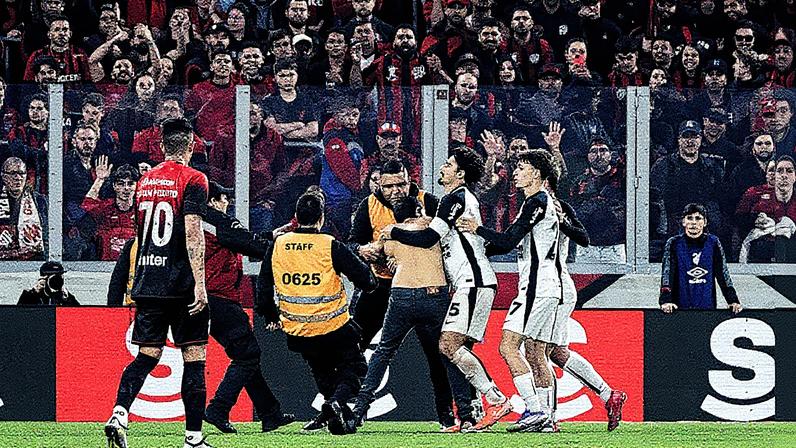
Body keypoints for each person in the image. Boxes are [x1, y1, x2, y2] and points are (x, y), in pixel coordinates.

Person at [104, 118, 212, 448]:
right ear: (191, 146)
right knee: (194, 358)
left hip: (149, 281)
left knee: (147, 355)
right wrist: (200, 283)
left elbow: (142, 234)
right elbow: (193, 233)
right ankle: (193, 439)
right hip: (180, 283)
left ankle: (119, 413)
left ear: (162, 147)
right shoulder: (195, 179)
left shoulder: (144, 182)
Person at [382, 145, 506, 432]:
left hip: (473, 283)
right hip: (472, 283)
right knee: (456, 350)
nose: (443, 167)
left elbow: (428, 239)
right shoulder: (459, 199)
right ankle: (472, 415)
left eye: (449, 164)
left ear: (460, 173)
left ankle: (496, 400)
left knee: (448, 346)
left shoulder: (455, 198)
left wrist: (394, 231)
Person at [256, 188, 377, 436]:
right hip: (333, 325)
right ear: (321, 218)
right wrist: (370, 279)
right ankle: (335, 403)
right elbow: (366, 280)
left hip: (297, 329)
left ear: (296, 217)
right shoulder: (329, 244)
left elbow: (263, 289)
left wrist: (270, 316)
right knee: (354, 368)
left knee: (320, 370)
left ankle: (337, 417)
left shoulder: (278, 245)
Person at [456, 149, 560, 433]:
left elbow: (510, 238)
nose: (515, 173)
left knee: (508, 346)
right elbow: (505, 244)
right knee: (535, 351)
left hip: (537, 286)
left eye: (522, 168)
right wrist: (478, 245)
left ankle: (535, 409)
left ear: (536, 174)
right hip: (544, 286)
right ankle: (546, 417)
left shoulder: (537, 202)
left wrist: (478, 230)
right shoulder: (538, 203)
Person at [351, 196, 474, 432]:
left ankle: (358, 412)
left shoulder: (389, 232)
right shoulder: (435, 227)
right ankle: (465, 415)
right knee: (450, 353)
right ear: (418, 210)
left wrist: (387, 255)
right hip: (434, 295)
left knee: (383, 353)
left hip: (401, 296)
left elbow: (369, 254)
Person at [201, 181, 295, 434]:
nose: (227, 203)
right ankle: (218, 408)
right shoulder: (218, 222)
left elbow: (241, 241)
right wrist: (285, 247)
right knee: (248, 355)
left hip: (201, 299)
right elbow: (250, 244)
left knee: (245, 357)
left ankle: (269, 413)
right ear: (211, 202)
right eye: (223, 198)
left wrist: (274, 235)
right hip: (220, 298)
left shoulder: (195, 224)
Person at [659, 203, 743, 313]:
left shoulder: (713, 242)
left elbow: (723, 274)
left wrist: (733, 300)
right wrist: (665, 300)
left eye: (698, 218)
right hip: (678, 310)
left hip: (707, 309)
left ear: (705, 222)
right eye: (689, 218)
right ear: (683, 222)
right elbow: (667, 273)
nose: (694, 222)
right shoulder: (674, 243)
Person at [0, 157, 47, 260]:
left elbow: (47, 234)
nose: (18, 178)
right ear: (4, 176)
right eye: (13, 173)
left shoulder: (39, 201)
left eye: (21, 173)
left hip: (33, 258)